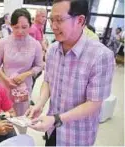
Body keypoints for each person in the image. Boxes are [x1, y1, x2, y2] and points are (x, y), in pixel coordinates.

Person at [26, 0, 115, 146]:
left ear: (80, 20)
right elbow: (48, 81)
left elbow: (94, 103)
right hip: (52, 128)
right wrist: (40, 104)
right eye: (51, 20)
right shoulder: (53, 50)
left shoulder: (101, 56)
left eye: (59, 20)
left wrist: (57, 118)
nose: (53, 26)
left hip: (77, 135)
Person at [0, 8, 43, 117]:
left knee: (21, 118)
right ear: (11, 26)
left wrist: (26, 74)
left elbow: (40, 65)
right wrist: (6, 79)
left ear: (30, 26)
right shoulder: (3, 42)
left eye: (24, 27)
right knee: (4, 119)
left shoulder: (35, 45)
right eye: (16, 27)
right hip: (5, 87)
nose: (20, 31)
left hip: (24, 88)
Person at [29, 8, 48, 90]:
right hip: (33, 60)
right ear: (37, 16)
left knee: (35, 77)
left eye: (46, 17)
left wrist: (46, 50)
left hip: (38, 58)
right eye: (43, 16)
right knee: (31, 79)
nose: (45, 19)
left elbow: (41, 42)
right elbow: (30, 47)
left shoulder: (40, 28)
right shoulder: (33, 29)